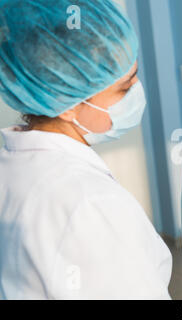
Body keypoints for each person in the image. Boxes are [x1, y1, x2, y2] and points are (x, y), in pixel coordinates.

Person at [0, 0, 171, 299]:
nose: (137, 91)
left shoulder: (13, 162)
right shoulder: (89, 202)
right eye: (124, 86)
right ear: (66, 104)